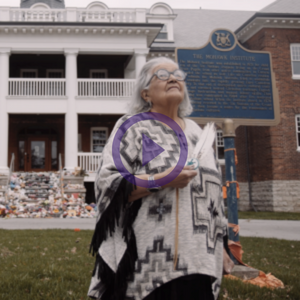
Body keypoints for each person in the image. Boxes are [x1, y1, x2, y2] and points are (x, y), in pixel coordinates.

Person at [88, 57, 233, 300]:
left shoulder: (197, 133)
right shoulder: (132, 127)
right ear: (146, 93)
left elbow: (214, 199)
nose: (174, 78)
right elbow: (108, 184)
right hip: (146, 258)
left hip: (198, 257)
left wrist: (222, 246)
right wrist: (164, 178)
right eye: (163, 74)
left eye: (178, 74)